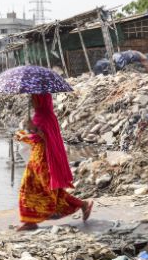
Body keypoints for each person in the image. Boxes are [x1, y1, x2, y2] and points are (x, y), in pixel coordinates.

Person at [15, 93, 93, 231]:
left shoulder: (46, 116)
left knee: (50, 192)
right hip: (36, 158)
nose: (32, 101)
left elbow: (44, 138)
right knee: (28, 188)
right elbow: (36, 137)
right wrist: (27, 133)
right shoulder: (39, 115)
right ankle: (30, 221)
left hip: (45, 160)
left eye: (34, 98)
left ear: (41, 100)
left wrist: (31, 131)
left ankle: (83, 204)